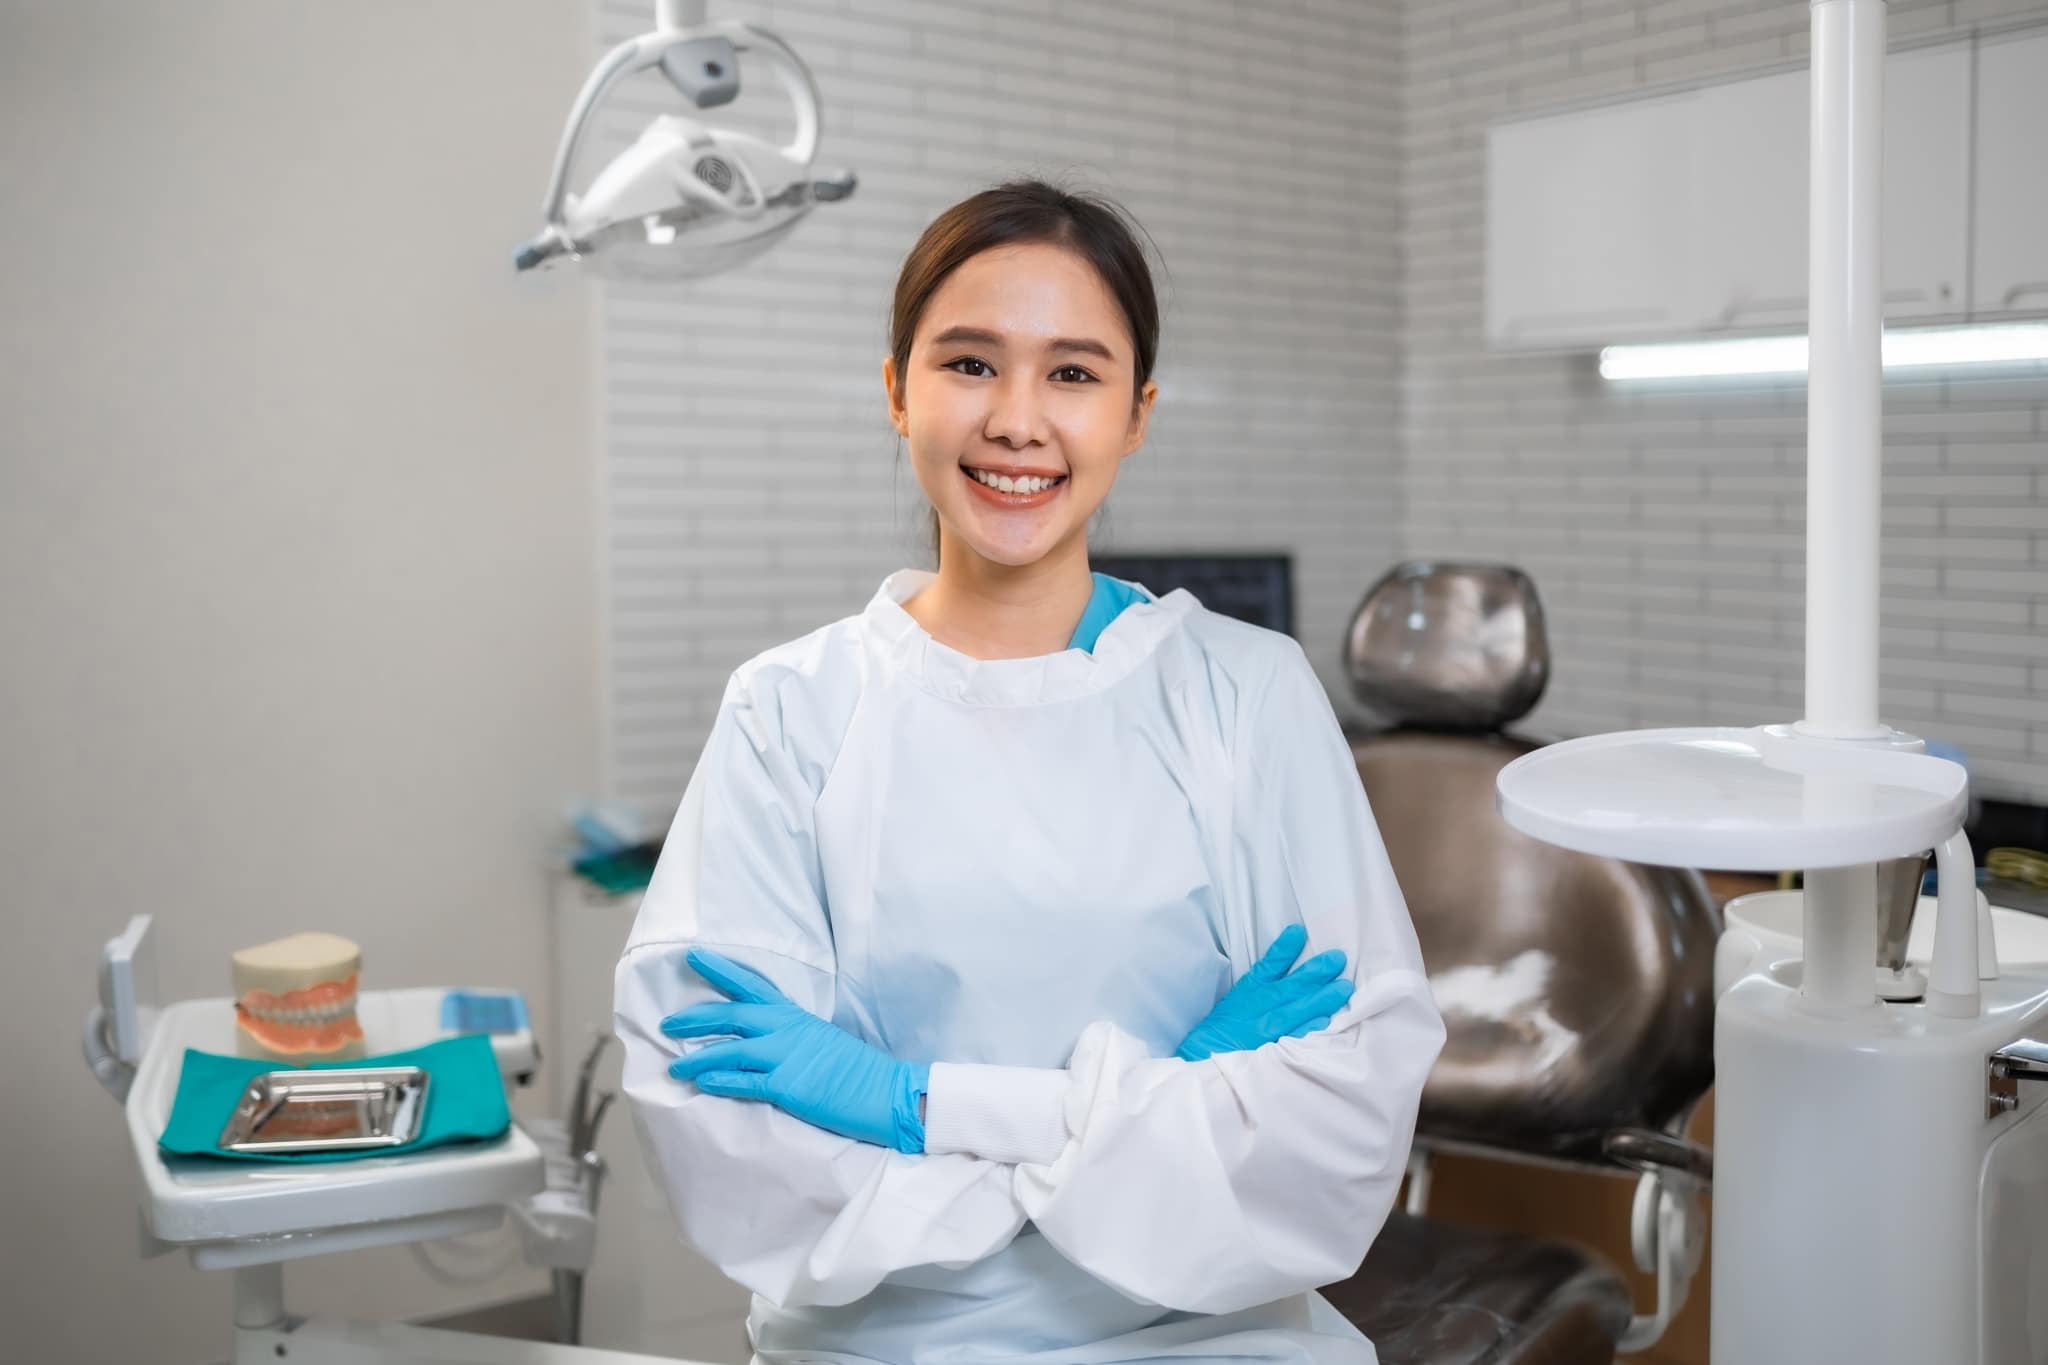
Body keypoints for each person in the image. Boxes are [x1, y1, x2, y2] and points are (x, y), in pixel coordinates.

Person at [614, 180, 1445, 1365]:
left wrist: (911, 1106)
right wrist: (1162, 1105)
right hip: (884, 1343)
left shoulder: (1245, 695)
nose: (1017, 420)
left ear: (1136, 412)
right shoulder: (790, 710)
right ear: (896, 389)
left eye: (1072, 373)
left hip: (1211, 1336)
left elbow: (1342, 1116)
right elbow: (723, 1129)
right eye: (967, 364)